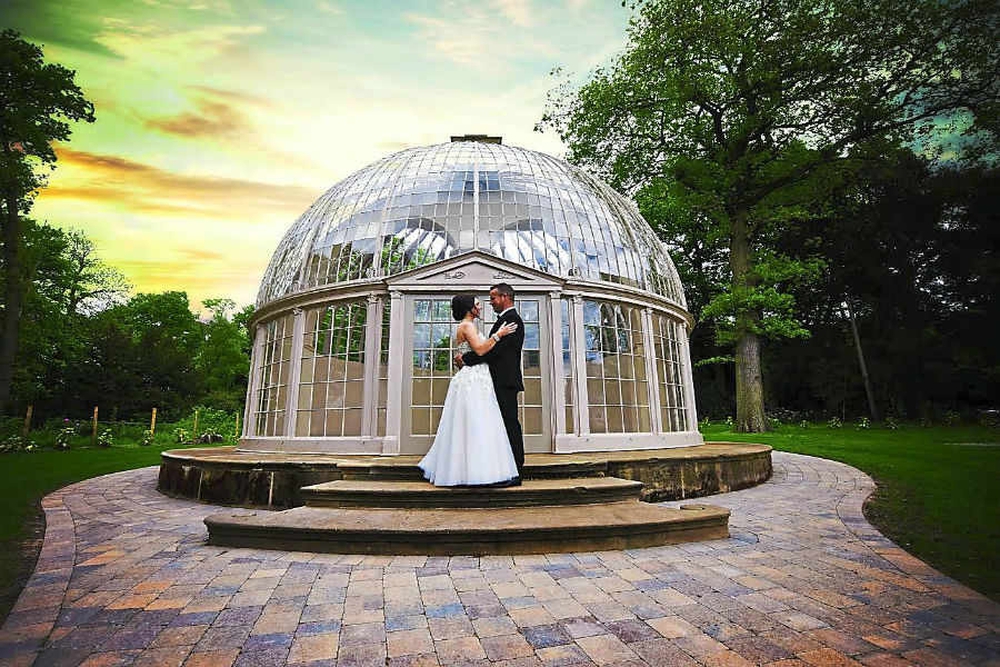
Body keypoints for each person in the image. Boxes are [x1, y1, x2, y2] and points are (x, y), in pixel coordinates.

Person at [418, 294, 520, 487]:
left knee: (479, 423)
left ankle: (478, 469)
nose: (480, 307)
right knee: (475, 422)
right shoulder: (467, 326)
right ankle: (472, 472)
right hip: (473, 380)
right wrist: (500, 335)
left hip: (478, 377)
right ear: (469, 307)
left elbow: (468, 353)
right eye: (477, 305)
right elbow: (481, 350)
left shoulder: (469, 326)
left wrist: (464, 359)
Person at [455, 283, 525, 486]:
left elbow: (494, 352)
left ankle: (516, 472)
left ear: (504, 297)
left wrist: (465, 359)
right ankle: (503, 469)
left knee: (510, 424)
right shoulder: (503, 320)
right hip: (496, 380)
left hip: (505, 381)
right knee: (500, 425)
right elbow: (489, 349)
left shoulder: (511, 320)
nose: (490, 302)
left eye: (493, 298)